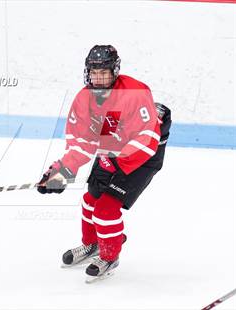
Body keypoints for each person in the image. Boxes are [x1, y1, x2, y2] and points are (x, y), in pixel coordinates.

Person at [37, 45, 171, 282]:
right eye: (94, 72)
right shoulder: (85, 98)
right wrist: (62, 170)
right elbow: (82, 141)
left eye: (104, 72)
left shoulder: (135, 92)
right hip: (113, 144)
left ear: (114, 71)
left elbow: (147, 138)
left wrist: (118, 161)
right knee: (90, 200)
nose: (98, 78)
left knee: (106, 208)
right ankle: (93, 245)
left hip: (143, 155)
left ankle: (110, 255)